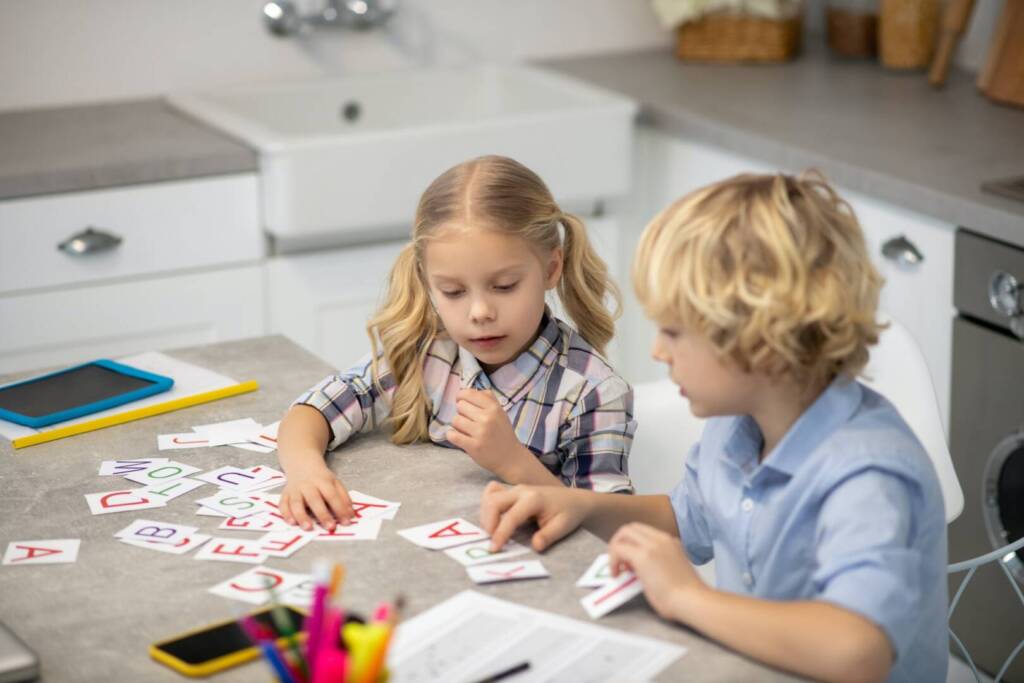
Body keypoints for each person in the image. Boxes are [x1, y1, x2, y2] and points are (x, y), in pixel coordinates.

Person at [480, 172, 948, 683]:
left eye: (674, 332)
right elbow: (686, 519)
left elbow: (857, 651)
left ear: (761, 339)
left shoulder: (868, 472)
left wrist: (687, 596)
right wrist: (578, 504)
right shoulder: (737, 426)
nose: (658, 351)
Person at [277, 155, 636, 532]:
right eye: (453, 291)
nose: (480, 311)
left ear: (550, 269)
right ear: (428, 282)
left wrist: (513, 461)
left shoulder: (593, 392)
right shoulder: (427, 353)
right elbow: (312, 410)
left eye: (504, 286)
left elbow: (611, 532)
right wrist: (306, 472)